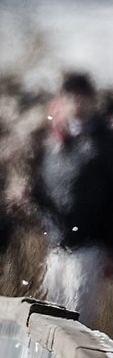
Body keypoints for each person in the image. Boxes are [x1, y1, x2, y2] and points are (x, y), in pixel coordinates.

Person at [35, 71, 113, 321]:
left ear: (92, 100)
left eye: (82, 97)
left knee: (76, 322)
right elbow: (44, 191)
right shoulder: (55, 143)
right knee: (48, 320)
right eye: (70, 97)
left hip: (88, 247)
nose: (76, 103)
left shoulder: (104, 143)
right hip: (57, 245)